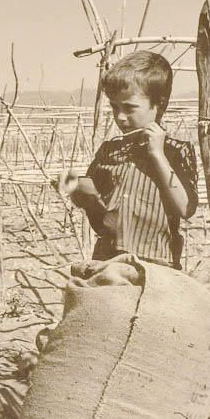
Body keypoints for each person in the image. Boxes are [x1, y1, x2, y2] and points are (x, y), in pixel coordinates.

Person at [57, 50, 198, 270]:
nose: (120, 117)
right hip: (108, 261)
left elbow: (186, 208)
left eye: (130, 108)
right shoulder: (110, 150)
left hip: (156, 264)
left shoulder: (176, 151)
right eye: (114, 107)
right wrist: (76, 188)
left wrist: (157, 155)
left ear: (159, 105)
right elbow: (95, 199)